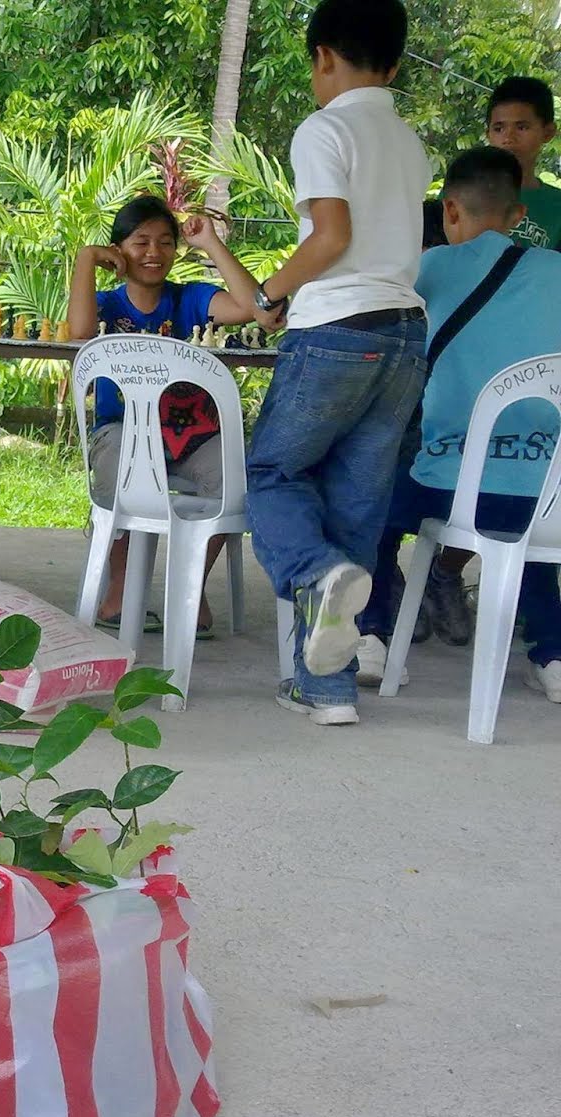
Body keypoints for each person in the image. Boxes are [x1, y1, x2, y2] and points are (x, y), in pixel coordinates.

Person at [243, 0, 431, 727]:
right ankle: (327, 690)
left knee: (273, 474)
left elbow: (329, 237)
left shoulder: (326, 128)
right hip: (404, 334)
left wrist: (269, 293)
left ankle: (316, 575)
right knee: (357, 504)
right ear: (395, 60)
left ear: (323, 56)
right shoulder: (408, 140)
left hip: (336, 328)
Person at [354, 147, 561, 700]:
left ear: (449, 211)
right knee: (526, 520)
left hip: (452, 489)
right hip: (549, 498)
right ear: (519, 217)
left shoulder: (429, 268)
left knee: (369, 505)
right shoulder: (557, 271)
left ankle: (371, 634)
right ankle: (552, 654)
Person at [69, 195, 264, 636]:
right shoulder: (108, 305)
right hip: (124, 432)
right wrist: (85, 259)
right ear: (118, 249)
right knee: (121, 475)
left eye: (164, 242)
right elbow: (80, 332)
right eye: (140, 242)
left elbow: (254, 308)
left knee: (236, 480)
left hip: (193, 436)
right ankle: (120, 590)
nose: (154, 253)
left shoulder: (193, 299)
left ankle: (190, 587)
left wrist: (211, 244)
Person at [486, 76, 561, 252]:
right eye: (498, 129)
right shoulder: (462, 188)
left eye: (522, 127)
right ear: (487, 133)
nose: (508, 138)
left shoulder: (557, 207)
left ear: (548, 132)